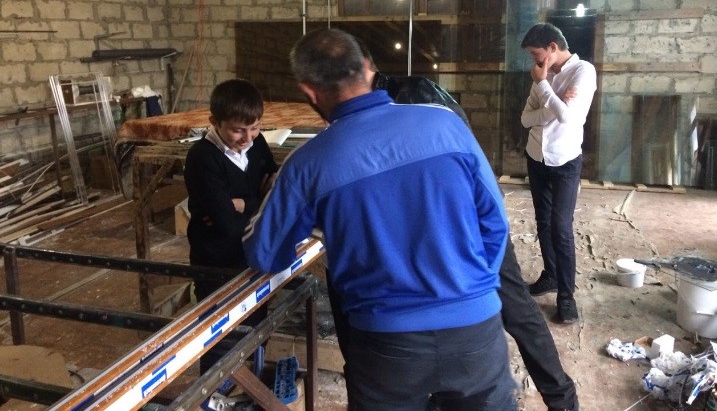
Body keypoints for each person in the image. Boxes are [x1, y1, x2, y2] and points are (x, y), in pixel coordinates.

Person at [243, 28, 516, 411]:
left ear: (309, 91)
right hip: (476, 333)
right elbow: (495, 220)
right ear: (369, 69)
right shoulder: (446, 124)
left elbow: (266, 253)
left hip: (385, 345)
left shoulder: (307, 164)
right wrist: (473, 286)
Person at [327, 37, 578, 411]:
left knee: (515, 309)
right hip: (440, 222)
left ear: (365, 69)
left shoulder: (414, 95)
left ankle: (561, 399)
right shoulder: (369, 108)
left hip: (467, 221)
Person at [184, 78, 278, 374]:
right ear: (215, 122)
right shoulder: (202, 157)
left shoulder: (256, 144)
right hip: (217, 259)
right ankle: (213, 392)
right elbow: (225, 225)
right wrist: (257, 205)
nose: (247, 137)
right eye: (238, 130)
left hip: (252, 254)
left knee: (257, 323)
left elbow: (275, 189)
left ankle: (250, 381)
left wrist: (241, 204)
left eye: (255, 127)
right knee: (219, 332)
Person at [520, 22, 597, 325]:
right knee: (542, 221)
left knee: (560, 227)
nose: (534, 62)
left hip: (565, 161)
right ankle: (551, 274)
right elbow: (525, 119)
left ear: (552, 47)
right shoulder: (544, 74)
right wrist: (554, 102)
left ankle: (566, 297)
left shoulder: (583, 72)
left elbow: (569, 117)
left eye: (536, 54)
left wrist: (543, 86)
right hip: (536, 156)